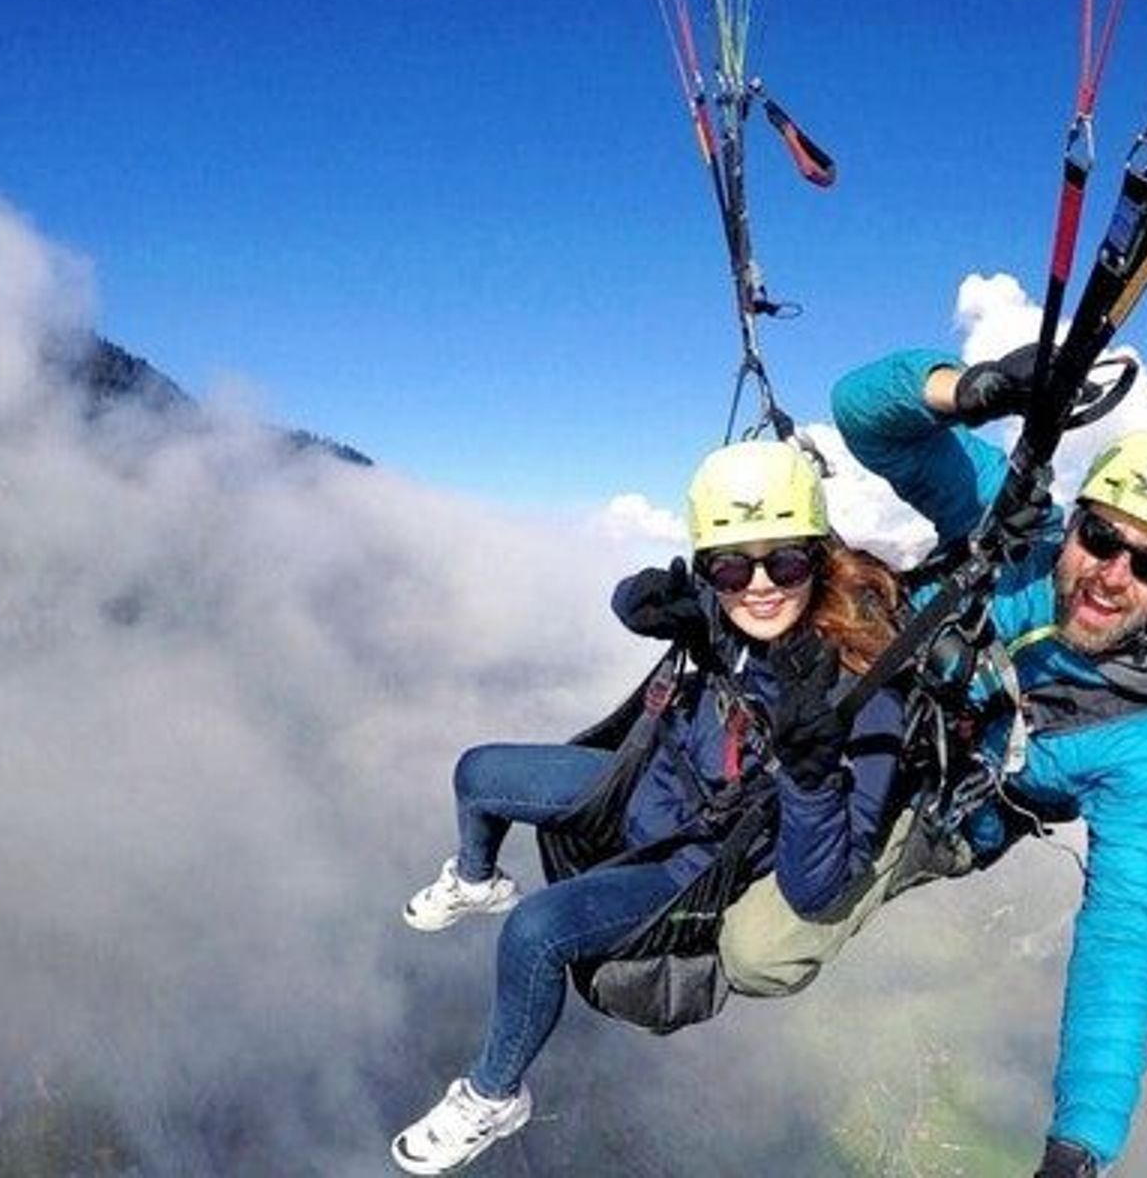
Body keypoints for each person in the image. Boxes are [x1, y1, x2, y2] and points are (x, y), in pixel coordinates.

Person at [389, 439, 910, 1176]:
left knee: (536, 932)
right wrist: (650, 600)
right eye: (732, 565)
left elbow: (817, 887)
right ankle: (478, 882)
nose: (758, 585)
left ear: (817, 558)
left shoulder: (864, 691)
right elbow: (642, 599)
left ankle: (492, 1096)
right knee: (477, 773)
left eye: (784, 563)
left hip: (690, 864)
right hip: (644, 786)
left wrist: (813, 769)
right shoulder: (730, 610)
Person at [823, 346, 1147, 1178]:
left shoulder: (1144, 742)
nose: (1111, 576)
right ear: (1071, 521)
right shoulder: (1018, 533)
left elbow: (1123, 935)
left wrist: (1080, 1145)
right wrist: (974, 391)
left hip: (942, 807)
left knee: (775, 943)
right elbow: (865, 417)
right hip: (880, 710)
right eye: (1100, 537)